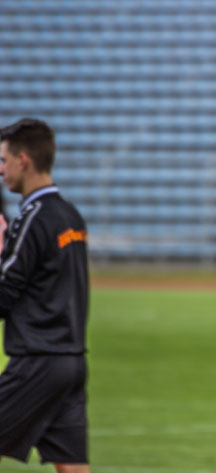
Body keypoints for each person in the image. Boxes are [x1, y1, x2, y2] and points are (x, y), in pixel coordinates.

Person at [0, 119, 90, 472]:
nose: (1, 170)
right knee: (72, 465)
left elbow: (6, 292)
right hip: (71, 360)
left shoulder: (31, 218)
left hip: (37, 360)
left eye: (4, 160)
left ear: (23, 160)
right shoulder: (70, 215)